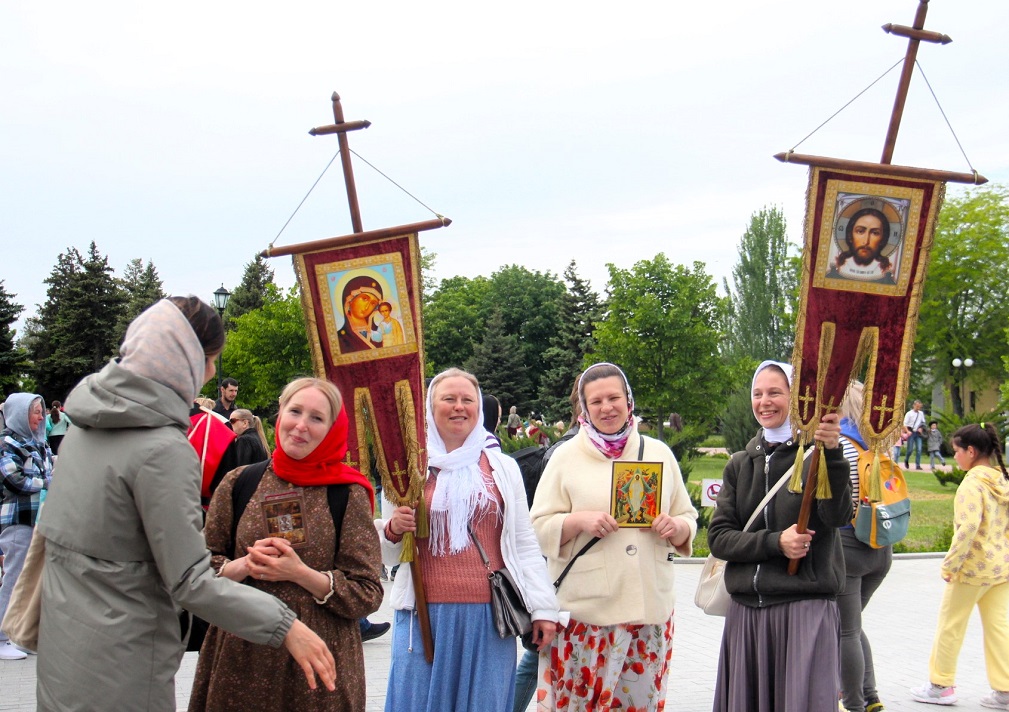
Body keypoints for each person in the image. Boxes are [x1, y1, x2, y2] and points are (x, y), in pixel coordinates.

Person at [34, 297, 336, 711]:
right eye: (210, 360)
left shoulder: (87, 427)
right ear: (185, 359)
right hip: (122, 660)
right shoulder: (161, 449)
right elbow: (191, 580)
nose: (211, 373)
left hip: (63, 646)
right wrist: (286, 626)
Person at [190, 377, 384, 710]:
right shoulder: (239, 483)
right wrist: (243, 565)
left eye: (317, 418)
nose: (301, 425)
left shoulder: (345, 493)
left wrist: (301, 573)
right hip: (241, 663)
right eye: (295, 411)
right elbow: (197, 573)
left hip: (319, 669)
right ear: (281, 413)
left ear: (333, 428)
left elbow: (367, 592)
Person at [380, 367, 558, 711]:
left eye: (468, 400)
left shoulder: (501, 467)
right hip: (421, 618)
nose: (459, 407)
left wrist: (544, 609)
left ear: (479, 408)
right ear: (431, 409)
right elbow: (389, 554)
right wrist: (392, 530)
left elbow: (523, 543)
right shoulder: (406, 468)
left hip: (488, 620)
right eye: (449, 399)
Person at [531, 362, 697, 712]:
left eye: (614, 398)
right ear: (584, 409)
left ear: (629, 401)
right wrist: (578, 521)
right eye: (596, 401)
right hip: (586, 616)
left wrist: (677, 528)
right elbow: (537, 526)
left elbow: (687, 516)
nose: (606, 407)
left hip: (648, 613)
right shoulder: (565, 457)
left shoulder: (658, 454)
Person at [708, 360, 852, 711]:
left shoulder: (819, 455)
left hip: (802, 609)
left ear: (798, 399)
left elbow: (837, 516)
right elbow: (719, 538)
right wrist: (776, 543)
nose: (764, 402)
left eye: (775, 392)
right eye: (757, 394)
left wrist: (832, 455)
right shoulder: (741, 463)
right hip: (746, 614)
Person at [910, 422, 1009, 708]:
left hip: (971, 570)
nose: (954, 457)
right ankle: (1004, 690)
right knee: (999, 626)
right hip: (1000, 569)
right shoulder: (1002, 479)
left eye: (956, 451)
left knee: (950, 626)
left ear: (971, 450)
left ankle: (941, 685)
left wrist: (949, 566)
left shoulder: (972, 484)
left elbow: (967, 528)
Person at [837, 381, 892, 712]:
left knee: (845, 631)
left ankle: (855, 703)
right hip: (881, 547)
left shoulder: (840, 445)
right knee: (852, 626)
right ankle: (870, 697)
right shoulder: (878, 444)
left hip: (848, 544)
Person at [0, 392, 53, 660]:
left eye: (40, 411)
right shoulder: (6, 443)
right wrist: (46, 483)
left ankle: (22, 633)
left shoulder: (39, 442)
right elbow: (14, 480)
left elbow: (51, 471)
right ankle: (1, 637)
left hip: (39, 519)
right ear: (20, 413)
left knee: (31, 578)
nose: (41, 416)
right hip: (19, 520)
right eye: (35, 411)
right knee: (14, 577)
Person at [337, 275, 384, 353]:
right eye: (364, 299)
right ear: (350, 299)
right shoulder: (340, 338)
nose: (367, 307)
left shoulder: (380, 332)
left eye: (373, 303)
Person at [903, 400, 926, 470]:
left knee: (919, 449)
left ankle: (918, 465)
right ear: (914, 405)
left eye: (919, 406)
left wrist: (921, 428)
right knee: (910, 449)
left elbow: (923, 422)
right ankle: (906, 459)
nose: (918, 407)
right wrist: (907, 431)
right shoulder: (909, 414)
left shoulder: (921, 413)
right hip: (911, 431)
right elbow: (905, 424)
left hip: (918, 433)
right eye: (917, 406)